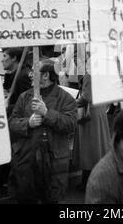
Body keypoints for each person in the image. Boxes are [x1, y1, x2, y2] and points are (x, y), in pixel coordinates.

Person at [8, 59, 77, 204]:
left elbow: (70, 125)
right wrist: (28, 123)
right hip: (27, 159)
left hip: (54, 161)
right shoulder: (25, 96)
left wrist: (46, 113)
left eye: (34, 71)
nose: (30, 75)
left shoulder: (66, 98)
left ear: (45, 75)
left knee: (51, 199)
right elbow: (12, 122)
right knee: (26, 198)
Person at [72, 54, 111, 189]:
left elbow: (86, 96)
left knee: (88, 149)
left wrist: (73, 101)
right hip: (99, 111)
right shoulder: (103, 74)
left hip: (89, 114)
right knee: (98, 146)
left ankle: (88, 182)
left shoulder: (89, 75)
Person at [1, 47, 31, 117]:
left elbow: (25, 104)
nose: (2, 60)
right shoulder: (13, 74)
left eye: (5, 56)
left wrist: (7, 107)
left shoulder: (23, 76)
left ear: (14, 58)